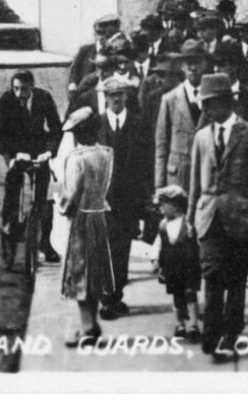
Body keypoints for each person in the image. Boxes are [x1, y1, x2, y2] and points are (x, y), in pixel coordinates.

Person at [187, 72, 248, 361]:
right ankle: (212, 334)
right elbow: (194, 184)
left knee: (236, 281)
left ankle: (230, 337)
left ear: (226, 103)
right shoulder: (201, 137)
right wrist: (190, 219)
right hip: (209, 218)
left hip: (241, 219)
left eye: (210, 104)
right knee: (211, 278)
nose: (206, 110)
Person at [57, 106, 116, 347]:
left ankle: (88, 327)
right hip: (100, 215)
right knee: (97, 272)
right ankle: (92, 325)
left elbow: (71, 193)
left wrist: (62, 208)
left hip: (81, 218)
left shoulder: (76, 158)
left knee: (79, 272)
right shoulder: (106, 153)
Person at [96, 74, 149, 320]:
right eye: (111, 95)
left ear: (126, 96)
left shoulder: (139, 124)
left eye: (120, 95)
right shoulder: (96, 125)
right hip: (103, 199)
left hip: (129, 198)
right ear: (105, 98)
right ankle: (108, 298)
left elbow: (145, 165)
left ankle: (116, 295)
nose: (116, 100)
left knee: (123, 248)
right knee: (106, 247)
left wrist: (145, 197)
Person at [0, 70, 63, 263]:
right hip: (17, 151)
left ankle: (45, 242)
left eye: (23, 89)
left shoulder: (44, 98)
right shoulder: (7, 100)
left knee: (46, 198)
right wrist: (11, 159)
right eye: (15, 88)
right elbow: (2, 135)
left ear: (32, 87)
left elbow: (56, 129)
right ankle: (9, 225)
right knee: (12, 185)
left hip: (39, 150)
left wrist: (49, 152)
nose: (18, 94)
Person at [152, 43, 208, 190]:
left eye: (197, 62)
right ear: (182, 66)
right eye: (188, 63)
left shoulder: (212, 97)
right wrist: (159, 186)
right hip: (178, 177)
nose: (193, 68)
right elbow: (161, 145)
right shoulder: (170, 99)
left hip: (206, 173)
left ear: (204, 64)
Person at [152, 186, 201, 340]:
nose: (160, 209)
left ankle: (193, 324)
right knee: (177, 296)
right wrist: (154, 259)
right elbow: (158, 243)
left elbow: (197, 243)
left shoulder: (188, 224)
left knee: (190, 293)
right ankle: (180, 323)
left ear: (174, 206)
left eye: (163, 205)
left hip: (189, 267)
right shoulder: (163, 225)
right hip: (171, 268)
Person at [68, 14, 122, 96]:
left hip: (107, 94)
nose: (101, 37)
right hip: (84, 94)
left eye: (105, 34)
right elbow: (75, 71)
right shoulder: (85, 50)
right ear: (94, 33)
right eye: (98, 33)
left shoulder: (115, 52)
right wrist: (73, 87)